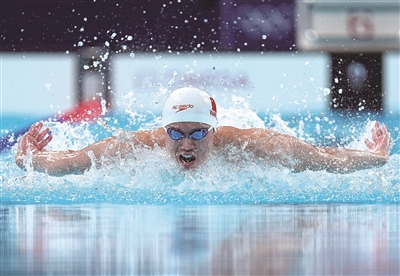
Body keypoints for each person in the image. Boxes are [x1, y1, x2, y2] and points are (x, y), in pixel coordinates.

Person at [15, 87, 390, 176]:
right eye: (176, 133)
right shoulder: (134, 146)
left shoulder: (252, 144)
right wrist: (26, 156)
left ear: (214, 130)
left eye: (198, 133)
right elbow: (64, 163)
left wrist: (373, 157)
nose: (187, 144)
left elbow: (323, 159)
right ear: (163, 132)